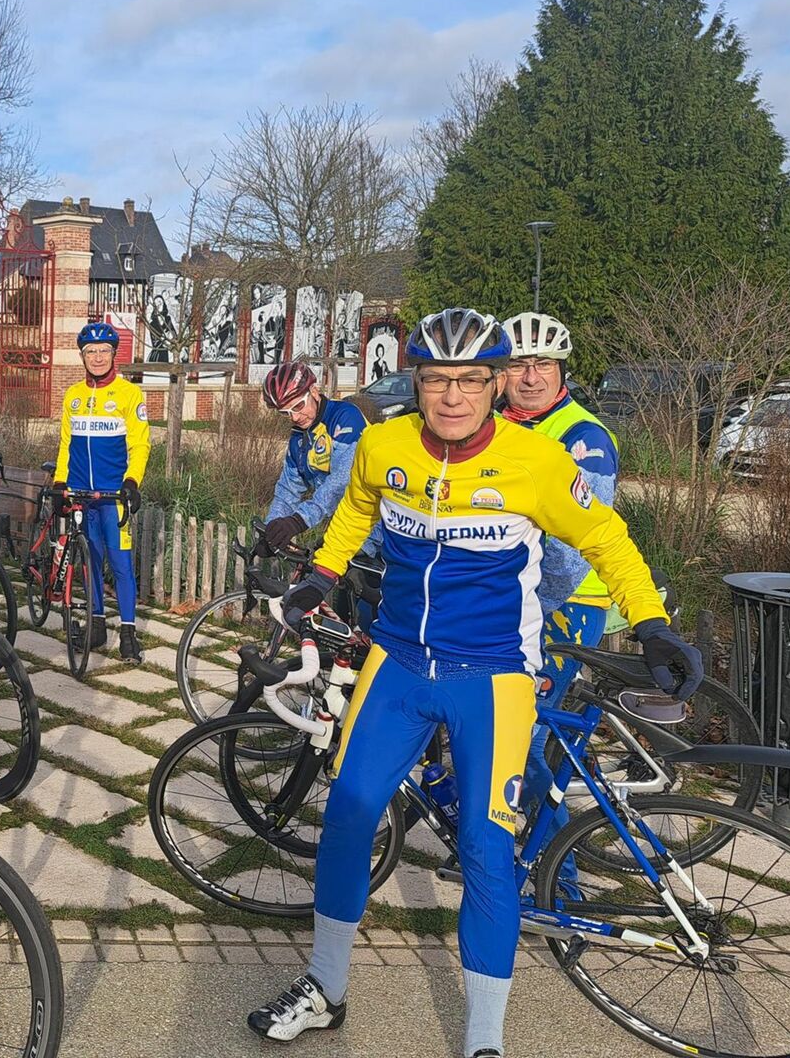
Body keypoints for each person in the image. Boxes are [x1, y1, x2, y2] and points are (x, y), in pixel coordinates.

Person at [248, 308, 702, 1058]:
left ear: (495, 384)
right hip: (397, 664)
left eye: (469, 380)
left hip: (493, 676)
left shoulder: (536, 461)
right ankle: (325, 988)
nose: (452, 396)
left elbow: (605, 538)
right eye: (435, 380)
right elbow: (357, 508)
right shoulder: (385, 444)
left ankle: (483, 1040)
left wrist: (650, 623)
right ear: (416, 383)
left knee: (487, 850)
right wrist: (323, 574)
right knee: (349, 817)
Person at [501, 310, 621, 853]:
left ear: (561, 370)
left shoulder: (583, 436)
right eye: (518, 364)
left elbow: (573, 550)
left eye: (543, 364)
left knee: (522, 733)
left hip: (565, 602)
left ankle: (557, 876)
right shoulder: (502, 425)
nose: (531, 377)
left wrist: (526, 608)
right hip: (516, 595)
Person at [52, 321, 150, 664]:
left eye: (103, 351)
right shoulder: (73, 395)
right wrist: (60, 483)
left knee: (120, 564)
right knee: (89, 560)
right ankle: (95, 626)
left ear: (113, 354)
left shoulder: (129, 394)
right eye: (90, 351)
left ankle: (128, 633)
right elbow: (66, 444)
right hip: (81, 495)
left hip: (113, 497)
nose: (97, 357)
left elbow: (140, 444)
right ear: (82, 356)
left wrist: (132, 482)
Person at [259, 361, 367, 552]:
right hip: (345, 527)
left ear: (314, 391)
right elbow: (288, 490)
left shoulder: (345, 417)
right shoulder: (299, 437)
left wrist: (299, 520)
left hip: (378, 525)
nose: (294, 417)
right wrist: (271, 531)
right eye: (286, 412)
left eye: (298, 406)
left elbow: (342, 482)